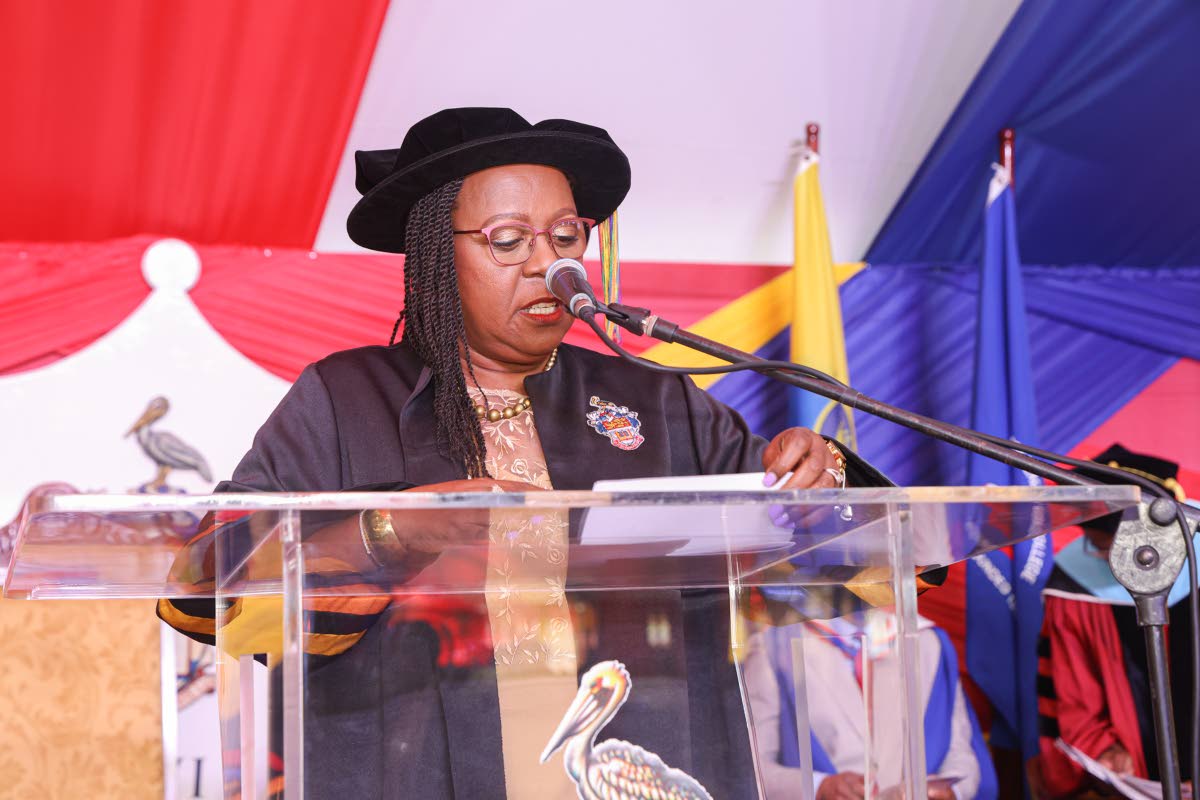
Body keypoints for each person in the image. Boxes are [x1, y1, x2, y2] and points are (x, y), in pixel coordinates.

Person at [158, 107, 887, 799]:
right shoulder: (347, 399)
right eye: (509, 241)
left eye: (567, 236)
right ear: (438, 258)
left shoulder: (654, 398)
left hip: (640, 765)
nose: (550, 265)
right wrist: (387, 532)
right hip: (412, 771)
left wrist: (818, 476)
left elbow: (838, 569)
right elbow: (207, 592)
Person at [1033, 444, 1196, 796]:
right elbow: (1074, 697)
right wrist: (1105, 751)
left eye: (1116, 547)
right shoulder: (1073, 587)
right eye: (1101, 547)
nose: (1114, 562)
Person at [745, 612, 997, 800]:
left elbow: (961, 756)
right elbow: (752, 769)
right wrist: (820, 786)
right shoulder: (775, 646)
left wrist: (948, 790)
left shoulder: (928, 641)